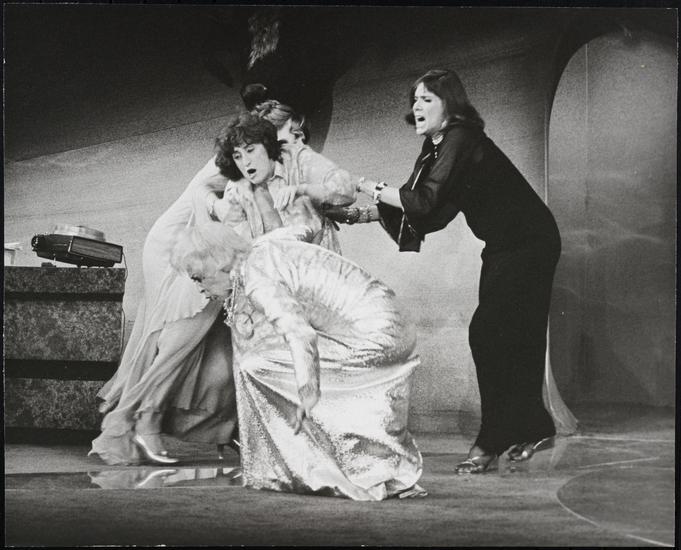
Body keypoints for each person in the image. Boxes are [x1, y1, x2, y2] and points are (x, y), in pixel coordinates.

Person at [90, 107, 355, 466]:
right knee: (179, 343)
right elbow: (213, 203)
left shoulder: (283, 172)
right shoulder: (239, 177)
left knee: (225, 349)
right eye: (288, 134)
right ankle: (141, 422)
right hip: (198, 257)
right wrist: (215, 223)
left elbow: (327, 202)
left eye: (296, 136)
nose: (294, 142)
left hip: (231, 264)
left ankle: (220, 429)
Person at [356, 69, 562, 474]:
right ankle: (534, 427)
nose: (417, 106)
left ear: (449, 105)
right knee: (511, 336)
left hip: (529, 241)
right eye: (415, 99)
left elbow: (422, 200)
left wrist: (364, 185)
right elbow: (431, 212)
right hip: (504, 246)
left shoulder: (460, 138)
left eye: (427, 99)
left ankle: (493, 438)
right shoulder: (436, 147)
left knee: (489, 333)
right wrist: (364, 214)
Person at [171, 221, 425, 501]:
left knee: (255, 365)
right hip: (392, 320)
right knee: (267, 357)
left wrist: (307, 388)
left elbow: (299, 332)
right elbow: (304, 227)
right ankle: (356, 463)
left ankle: (312, 468)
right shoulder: (263, 246)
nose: (200, 288)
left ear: (220, 265)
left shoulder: (258, 282)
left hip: (376, 336)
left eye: (199, 278)